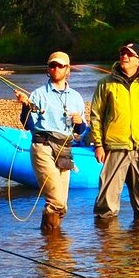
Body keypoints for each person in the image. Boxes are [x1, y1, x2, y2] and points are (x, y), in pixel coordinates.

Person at [14, 51, 87, 234]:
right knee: (57, 201)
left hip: (65, 150)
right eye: (52, 65)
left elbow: (80, 131)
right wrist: (25, 106)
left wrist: (80, 122)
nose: (55, 69)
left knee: (62, 206)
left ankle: (50, 242)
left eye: (60, 66)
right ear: (48, 69)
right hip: (43, 147)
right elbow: (27, 124)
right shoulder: (38, 95)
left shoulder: (76, 97)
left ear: (68, 70)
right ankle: (52, 243)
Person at [90, 42, 139, 218]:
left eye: (129, 55)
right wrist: (98, 145)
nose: (124, 57)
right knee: (106, 206)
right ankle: (108, 242)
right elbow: (96, 116)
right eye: (123, 53)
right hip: (115, 147)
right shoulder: (105, 83)